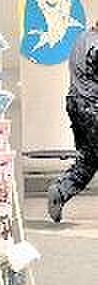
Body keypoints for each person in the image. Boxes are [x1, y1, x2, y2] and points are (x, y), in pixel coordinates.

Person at [48, 20, 98, 222]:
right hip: (92, 108)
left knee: (88, 160)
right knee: (89, 159)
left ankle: (61, 191)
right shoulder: (95, 47)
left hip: (75, 105)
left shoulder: (82, 38)